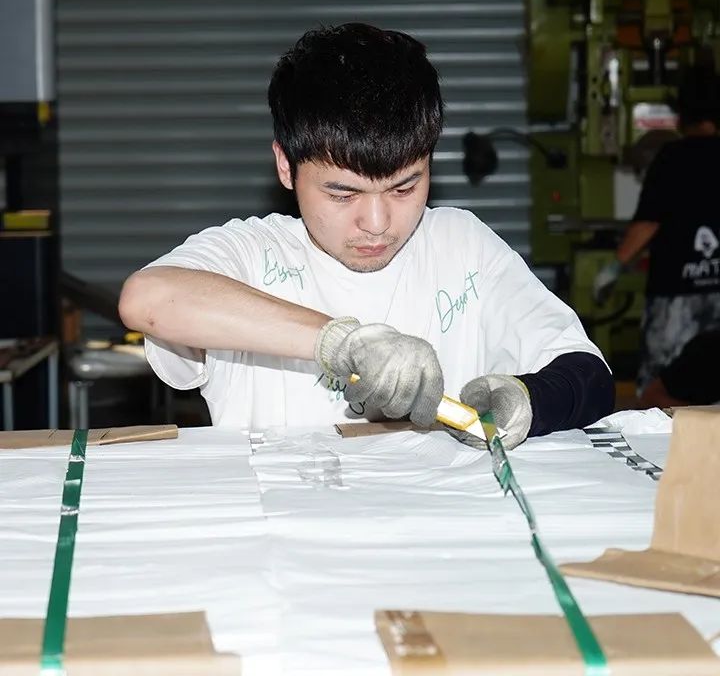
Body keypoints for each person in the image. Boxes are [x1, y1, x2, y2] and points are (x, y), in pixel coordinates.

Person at [119, 23, 614, 449]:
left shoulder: (462, 246)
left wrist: (526, 399)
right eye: (342, 194)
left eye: (405, 187)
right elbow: (148, 299)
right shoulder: (252, 255)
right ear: (286, 166)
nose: (377, 223)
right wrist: (340, 343)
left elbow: (588, 374)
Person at [593, 66, 720, 403]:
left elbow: (647, 225)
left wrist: (613, 268)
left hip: (676, 303)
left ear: (681, 114)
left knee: (661, 395)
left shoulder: (673, 158)